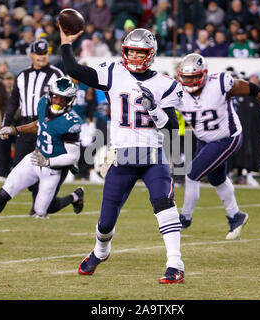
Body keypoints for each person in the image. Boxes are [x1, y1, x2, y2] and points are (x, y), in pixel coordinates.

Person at [59, 26, 185, 284]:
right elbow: (74, 70)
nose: (135, 58)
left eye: (141, 53)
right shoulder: (113, 72)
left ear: (150, 54)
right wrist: (65, 42)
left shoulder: (165, 84)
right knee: (105, 224)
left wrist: (156, 109)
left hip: (152, 155)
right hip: (123, 156)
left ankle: (175, 263)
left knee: (164, 204)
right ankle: (100, 252)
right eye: (131, 52)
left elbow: (172, 128)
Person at [175, 53, 260, 239]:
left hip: (227, 138)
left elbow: (253, 89)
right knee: (217, 180)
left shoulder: (220, 84)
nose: (190, 81)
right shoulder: (175, 91)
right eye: (186, 77)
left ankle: (185, 218)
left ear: (204, 74)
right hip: (204, 140)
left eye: (194, 77)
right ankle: (236, 216)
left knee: (192, 174)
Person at [0, 77, 85, 240]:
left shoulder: (71, 122)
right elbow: (40, 124)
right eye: (55, 96)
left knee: (42, 210)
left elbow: (74, 156)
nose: (57, 101)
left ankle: (75, 196)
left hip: (53, 169)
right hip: (35, 157)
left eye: (62, 98)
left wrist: (48, 161)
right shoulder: (43, 103)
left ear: (70, 100)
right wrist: (15, 130)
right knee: (4, 192)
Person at [1, 39, 71, 215]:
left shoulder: (56, 74)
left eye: (45, 54)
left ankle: (38, 208)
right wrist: (5, 124)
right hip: (25, 125)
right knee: (19, 167)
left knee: (45, 168)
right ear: (31, 55)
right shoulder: (22, 76)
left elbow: (66, 100)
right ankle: (50, 201)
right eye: (39, 54)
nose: (42, 57)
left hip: (46, 126)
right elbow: (13, 103)